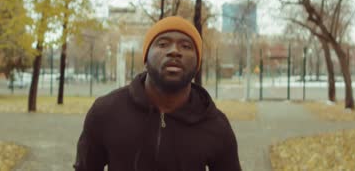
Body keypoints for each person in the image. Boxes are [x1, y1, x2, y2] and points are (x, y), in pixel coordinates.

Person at [73, 16, 241, 171]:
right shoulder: (105, 112)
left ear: (197, 64)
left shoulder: (215, 125)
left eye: (186, 46)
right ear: (146, 57)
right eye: (163, 44)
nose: (174, 51)